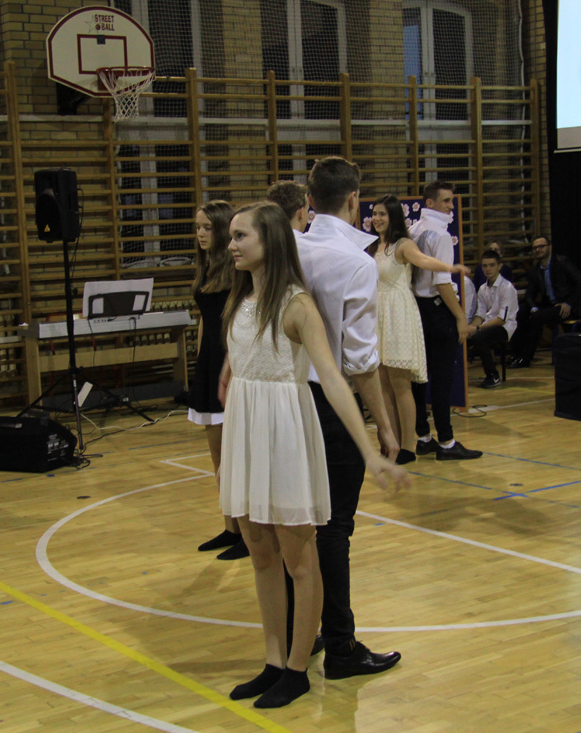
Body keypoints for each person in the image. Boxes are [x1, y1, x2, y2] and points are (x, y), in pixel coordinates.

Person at [218, 202, 407, 708]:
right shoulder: (240, 300)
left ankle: (298, 669)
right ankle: (273, 661)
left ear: (270, 240)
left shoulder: (297, 304)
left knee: (300, 559)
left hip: (285, 434)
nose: (231, 245)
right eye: (231, 236)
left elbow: (336, 381)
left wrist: (370, 448)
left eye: (240, 236)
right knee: (262, 556)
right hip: (248, 431)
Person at [278, 156, 403, 680]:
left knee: (294, 526)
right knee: (333, 529)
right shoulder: (356, 262)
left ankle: (299, 636)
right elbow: (360, 360)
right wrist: (385, 426)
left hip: (284, 400)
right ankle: (341, 646)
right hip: (328, 405)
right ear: (354, 200)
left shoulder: (288, 246)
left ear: (309, 201)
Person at [368, 194, 470, 465]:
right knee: (383, 386)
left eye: (382, 214)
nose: (377, 218)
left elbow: (425, 261)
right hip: (378, 316)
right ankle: (391, 443)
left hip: (399, 314)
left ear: (393, 216)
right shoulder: (373, 246)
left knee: (400, 384)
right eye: (375, 213)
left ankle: (408, 447)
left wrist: (450, 267)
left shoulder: (404, 244)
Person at [189, 201, 249, 560]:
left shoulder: (239, 272)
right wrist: (199, 361)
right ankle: (230, 527)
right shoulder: (206, 266)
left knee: (236, 457)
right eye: (198, 227)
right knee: (218, 457)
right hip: (209, 362)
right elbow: (204, 319)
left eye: (207, 227)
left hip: (233, 361)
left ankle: (249, 535)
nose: (201, 233)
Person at [409, 181, 482, 460]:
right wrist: (461, 317)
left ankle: (423, 437)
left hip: (418, 310)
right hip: (438, 311)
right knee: (441, 379)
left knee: (420, 378)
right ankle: (447, 443)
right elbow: (441, 282)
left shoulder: (413, 230)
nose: (452, 206)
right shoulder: (440, 235)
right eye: (446, 201)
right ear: (430, 203)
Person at [510, 235, 581, 368]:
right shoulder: (536, 270)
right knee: (522, 311)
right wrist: (533, 307)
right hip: (551, 305)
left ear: (550, 247)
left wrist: (568, 303)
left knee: (537, 317)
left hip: (568, 306)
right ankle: (515, 354)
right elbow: (530, 294)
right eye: (535, 248)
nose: (538, 250)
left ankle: (526, 358)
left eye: (541, 246)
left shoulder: (562, 262)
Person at [469, 249, 519, 389]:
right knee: (464, 335)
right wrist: (471, 328)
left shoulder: (507, 287)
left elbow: (501, 319)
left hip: (505, 327)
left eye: (491, 265)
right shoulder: (482, 289)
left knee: (479, 337)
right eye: (485, 266)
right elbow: (480, 314)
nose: (488, 269)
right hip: (488, 325)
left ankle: (493, 375)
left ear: (499, 266)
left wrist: (477, 328)